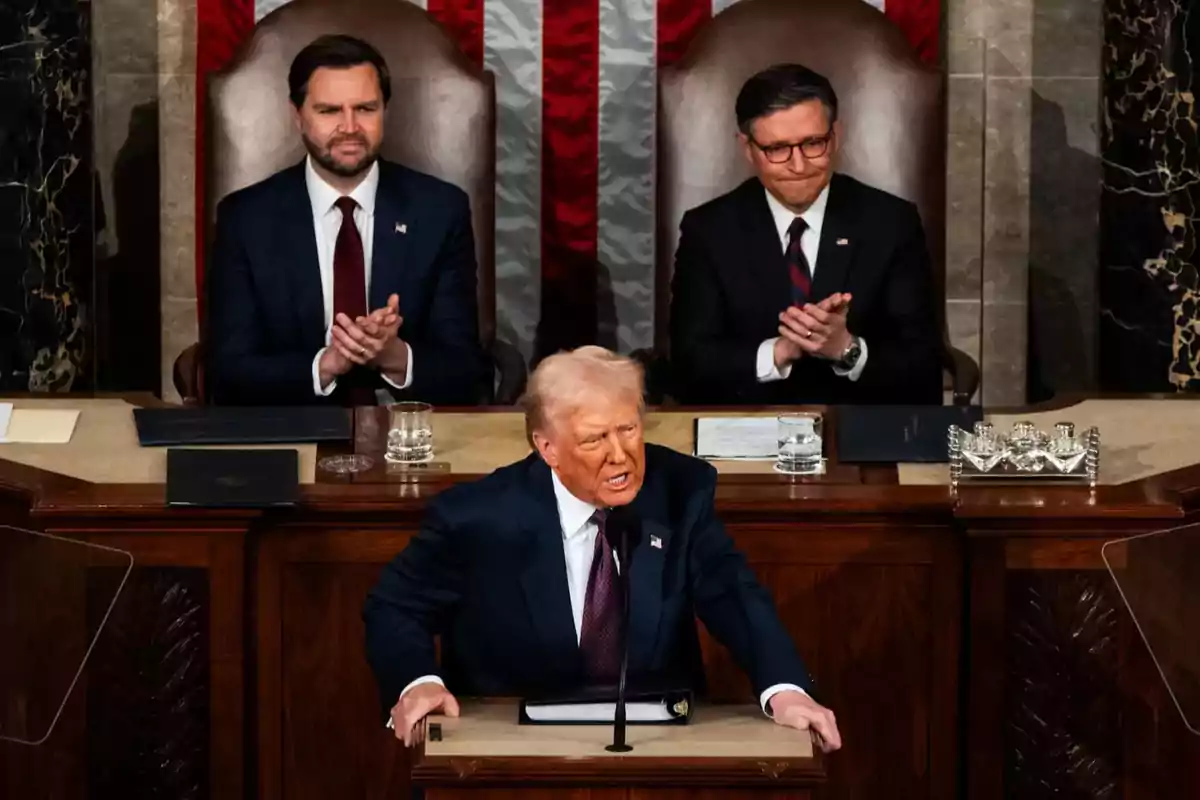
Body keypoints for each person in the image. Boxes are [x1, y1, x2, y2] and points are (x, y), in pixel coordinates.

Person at [363, 346, 842, 752]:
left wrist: (786, 687)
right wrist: (417, 681)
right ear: (547, 447)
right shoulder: (478, 517)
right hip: (512, 748)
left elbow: (734, 594)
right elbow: (394, 608)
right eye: (595, 439)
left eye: (629, 429)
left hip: (658, 746)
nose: (620, 455)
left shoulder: (678, 493)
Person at [206, 34, 485, 406]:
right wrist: (326, 365)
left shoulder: (440, 210)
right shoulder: (245, 219)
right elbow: (230, 368)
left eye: (366, 109)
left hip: (409, 432)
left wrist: (395, 357)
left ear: (385, 109)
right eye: (329, 111)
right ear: (297, 116)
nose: (350, 127)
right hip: (293, 428)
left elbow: (464, 366)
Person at [669, 63, 943, 405]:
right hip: (749, 427)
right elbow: (686, 365)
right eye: (777, 149)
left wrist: (846, 349)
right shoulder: (709, 230)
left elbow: (925, 366)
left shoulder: (890, 222)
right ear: (747, 148)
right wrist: (779, 353)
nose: (798, 166)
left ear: (836, 136)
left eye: (813, 143)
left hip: (856, 429)